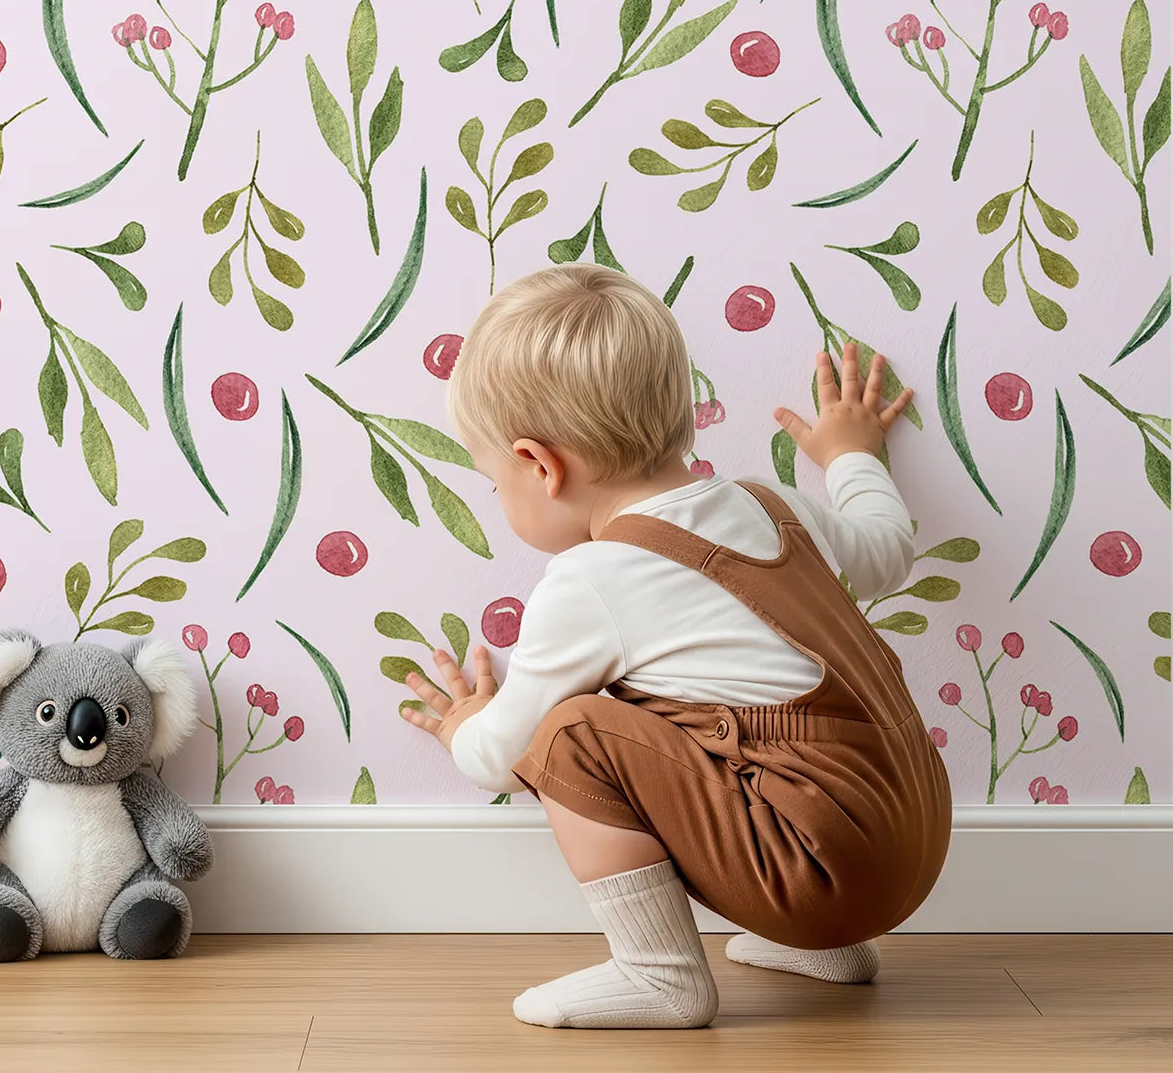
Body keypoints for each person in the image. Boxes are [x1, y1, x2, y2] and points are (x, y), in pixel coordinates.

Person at [401, 264, 951, 1030]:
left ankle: (658, 973)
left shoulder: (589, 580)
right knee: (708, 729)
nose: (501, 498)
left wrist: (465, 719)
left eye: (494, 483)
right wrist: (849, 455)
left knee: (572, 732)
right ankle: (829, 946)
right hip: (913, 839)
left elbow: (502, 754)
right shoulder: (773, 503)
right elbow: (889, 552)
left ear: (539, 466)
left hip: (821, 868)